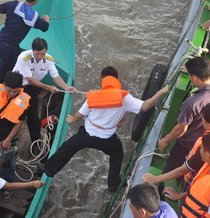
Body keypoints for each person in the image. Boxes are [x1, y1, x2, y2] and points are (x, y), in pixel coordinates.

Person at [37, 66, 168, 192]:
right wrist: (161, 92)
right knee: (117, 154)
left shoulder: (94, 96)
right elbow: (145, 106)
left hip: (86, 135)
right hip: (106, 139)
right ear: (116, 79)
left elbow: (79, 115)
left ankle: (49, 169)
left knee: (67, 148)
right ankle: (113, 185)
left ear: (103, 79)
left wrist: (72, 119)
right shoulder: (125, 98)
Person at [158, 57, 210, 175]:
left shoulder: (191, 103)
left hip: (187, 145)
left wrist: (165, 140)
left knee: (170, 169)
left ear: (194, 78)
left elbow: (181, 129)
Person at [142, 102, 210, 188]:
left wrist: (156, 179)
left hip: (198, 183)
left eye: (202, 119)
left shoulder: (205, 149)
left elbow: (183, 170)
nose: (201, 121)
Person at [12, 37, 76, 143]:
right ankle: (11, 138)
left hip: (34, 87)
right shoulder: (24, 58)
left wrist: (66, 87)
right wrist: (47, 87)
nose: (40, 57)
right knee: (16, 113)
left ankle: (35, 141)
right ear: (32, 50)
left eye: (43, 54)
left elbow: (55, 76)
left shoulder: (49, 59)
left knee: (33, 115)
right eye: (37, 54)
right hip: (19, 86)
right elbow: (30, 79)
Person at [163, 132, 210, 217]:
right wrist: (179, 196)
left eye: (201, 149)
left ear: (207, 155)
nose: (199, 151)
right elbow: (203, 190)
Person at [0, 0, 50, 83]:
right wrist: (46, 19)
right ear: (36, 1)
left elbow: (0, 9)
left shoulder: (12, 5)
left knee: (6, 65)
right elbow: (45, 28)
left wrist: (12, 3)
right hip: (11, 47)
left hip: (1, 42)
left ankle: (3, 81)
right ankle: (1, 84)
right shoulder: (34, 17)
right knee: (9, 69)